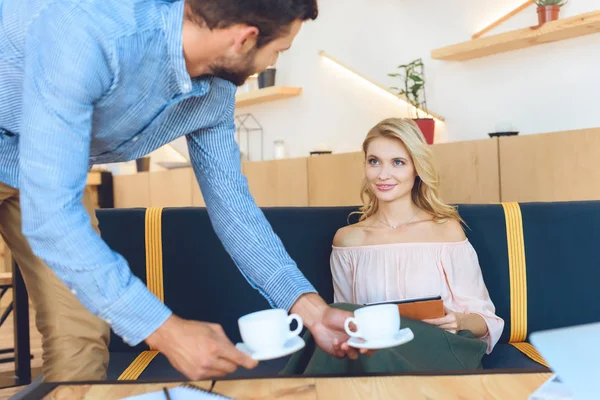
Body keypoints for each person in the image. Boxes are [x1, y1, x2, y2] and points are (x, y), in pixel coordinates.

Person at [0, 0, 361, 382]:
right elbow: (52, 217)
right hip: (35, 160)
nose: (270, 64)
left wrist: (310, 310)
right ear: (243, 39)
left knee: (81, 335)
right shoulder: (92, 29)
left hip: (45, 167)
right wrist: (167, 330)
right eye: (279, 50)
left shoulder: (214, 92)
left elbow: (234, 208)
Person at [282, 118, 504, 375]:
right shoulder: (348, 240)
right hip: (373, 351)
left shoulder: (446, 231)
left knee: (350, 329)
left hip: (440, 348)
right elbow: (345, 320)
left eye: (398, 162)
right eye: (374, 161)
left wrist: (459, 320)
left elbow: (486, 320)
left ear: (416, 168)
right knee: (344, 324)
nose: (382, 174)